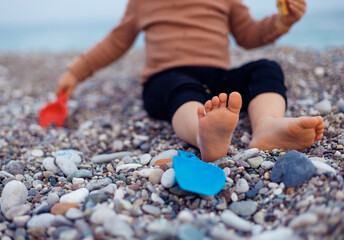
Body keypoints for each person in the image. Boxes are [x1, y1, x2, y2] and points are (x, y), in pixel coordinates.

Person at [57, 0, 325, 162]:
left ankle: (267, 125)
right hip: (166, 75)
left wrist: (281, 21)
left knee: (266, 68)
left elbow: (248, 34)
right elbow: (116, 41)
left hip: (217, 76)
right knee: (181, 91)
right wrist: (76, 72)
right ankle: (202, 134)